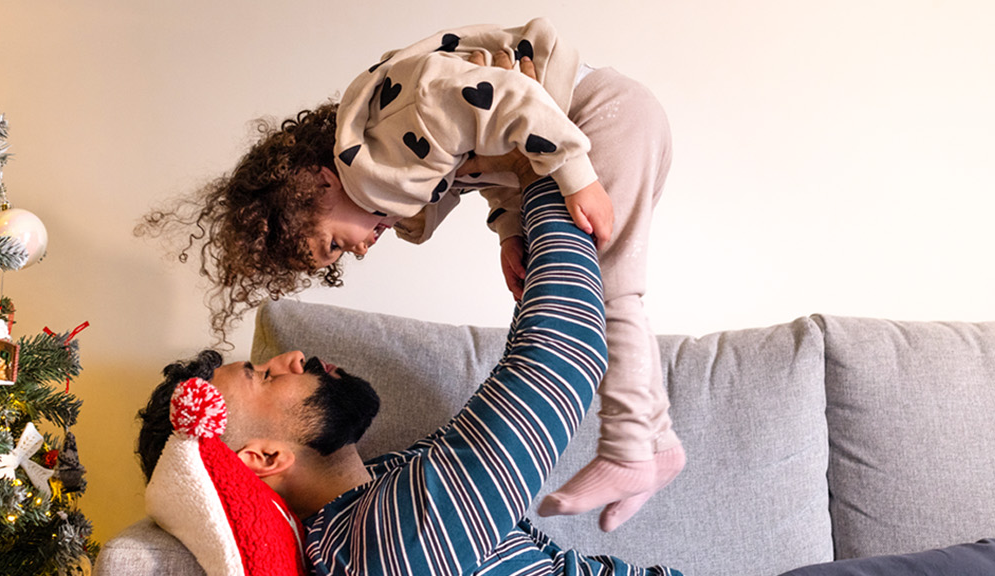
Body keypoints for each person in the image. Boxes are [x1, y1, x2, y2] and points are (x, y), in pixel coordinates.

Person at [140, 18, 681, 531]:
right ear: (263, 458)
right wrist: (510, 228)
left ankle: (637, 446)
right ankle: (653, 442)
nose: (360, 250)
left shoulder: (391, 131)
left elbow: (511, 102)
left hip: (597, 119)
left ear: (314, 184)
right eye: (340, 256)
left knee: (610, 296)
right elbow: (490, 152)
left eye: (332, 244)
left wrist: (573, 173)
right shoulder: (395, 161)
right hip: (594, 123)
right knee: (607, 292)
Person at [139, 176, 684, 575]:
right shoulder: (380, 546)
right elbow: (563, 359)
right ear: (262, 458)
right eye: (262, 376)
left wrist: (516, 225)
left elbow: (520, 371)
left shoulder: (376, 492)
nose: (293, 355)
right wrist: (546, 172)